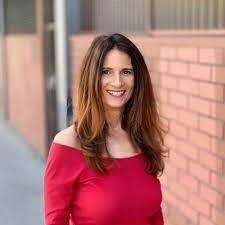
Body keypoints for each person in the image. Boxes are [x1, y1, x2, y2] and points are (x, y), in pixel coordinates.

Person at [43, 33, 168, 225]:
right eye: (106, 72)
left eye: (126, 72)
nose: (117, 82)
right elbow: (55, 220)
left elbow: (153, 214)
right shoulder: (68, 145)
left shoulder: (141, 138)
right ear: (91, 77)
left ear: (137, 78)